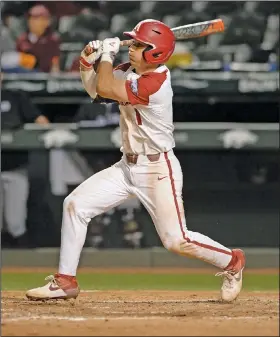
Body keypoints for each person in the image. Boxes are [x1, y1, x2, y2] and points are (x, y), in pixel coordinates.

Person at [26, 19, 245, 303]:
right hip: (126, 166)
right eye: (135, 43)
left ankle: (233, 262)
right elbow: (97, 90)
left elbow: (106, 84)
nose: (133, 48)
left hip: (157, 170)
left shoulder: (155, 83)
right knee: (75, 205)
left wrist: (105, 54)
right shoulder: (131, 71)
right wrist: (85, 63)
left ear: (156, 53)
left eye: (140, 45)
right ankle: (65, 281)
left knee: (176, 240)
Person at [1, 74, 50, 247]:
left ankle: (23, 260)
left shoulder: (14, 96)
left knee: (15, 222)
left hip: (16, 167)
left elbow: (42, 122)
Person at [16, 4, 60, 73]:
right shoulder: (22, 39)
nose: (33, 22)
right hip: (22, 76)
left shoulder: (52, 40)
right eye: (32, 18)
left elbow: (55, 63)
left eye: (39, 19)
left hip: (43, 77)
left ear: (47, 22)